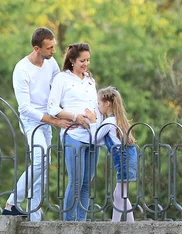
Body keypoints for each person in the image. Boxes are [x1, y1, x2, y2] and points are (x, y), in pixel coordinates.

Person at [2, 27, 72, 221]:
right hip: (31, 120)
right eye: (49, 48)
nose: (53, 51)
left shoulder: (51, 64)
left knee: (43, 164)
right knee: (41, 160)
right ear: (36, 48)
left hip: (47, 118)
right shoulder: (22, 70)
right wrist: (54, 121)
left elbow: (61, 85)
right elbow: (24, 108)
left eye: (54, 46)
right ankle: (11, 203)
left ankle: (34, 215)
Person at [47, 43, 99, 221]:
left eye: (88, 60)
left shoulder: (90, 80)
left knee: (86, 184)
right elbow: (52, 107)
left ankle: (81, 221)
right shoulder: (62, 78)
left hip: (92, 135)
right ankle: (68, 222)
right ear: (72, 60)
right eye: (82, 61)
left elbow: (96, 107)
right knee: (75, 182)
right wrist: (75, 117)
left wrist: (95, 121)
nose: (86, 64)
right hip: (74, 135)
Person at [87, 86, 137, 222]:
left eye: (99, 103)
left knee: (121, 193)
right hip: (128, 157)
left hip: (123, 159)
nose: (98, 106)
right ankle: (125, 223)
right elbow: (104, 141)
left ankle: (121, 224)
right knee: (120, 194)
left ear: (107, 104)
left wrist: (92, 122)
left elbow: (94, 139)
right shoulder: (117, 120)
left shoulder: (108, 122)